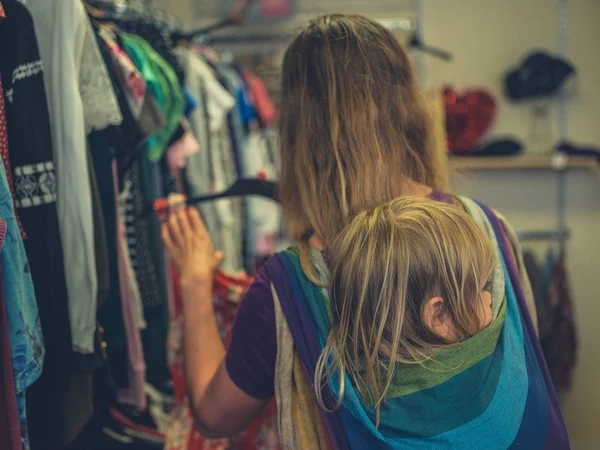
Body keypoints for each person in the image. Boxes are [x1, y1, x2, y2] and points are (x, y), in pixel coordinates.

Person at [162, 14, 570, 449]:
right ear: (409, 109)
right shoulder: (487, 228)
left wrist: (194, 278)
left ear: (297, 130)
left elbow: (213, 416)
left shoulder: (289, 285)